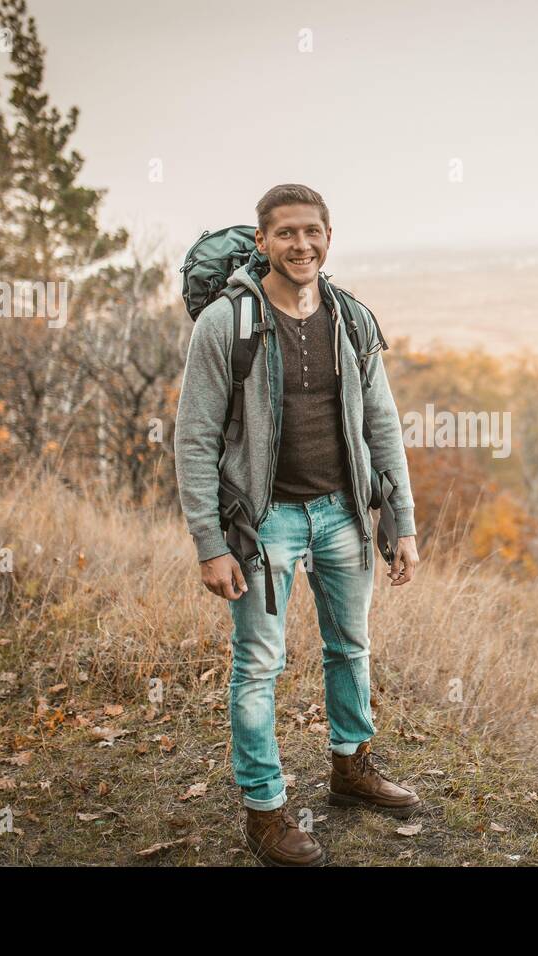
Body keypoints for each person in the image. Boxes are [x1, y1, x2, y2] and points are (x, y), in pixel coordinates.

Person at [174, 184, 422, 866]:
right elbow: (194, 439)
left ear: (329, 237)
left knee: (351, 647)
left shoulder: (349, 318)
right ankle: (264, 810)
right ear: (262, 242)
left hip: (342, 512)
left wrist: (399, 521)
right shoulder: (226, 325)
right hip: (264, 524)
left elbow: (382, 424)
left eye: (312, 231)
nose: (301, 244)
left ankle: (351, 767)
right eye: (286, 233)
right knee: (258, 664)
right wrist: (210, 544)